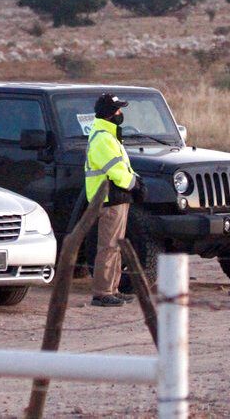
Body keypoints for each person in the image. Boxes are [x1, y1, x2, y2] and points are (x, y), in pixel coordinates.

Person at [85, 93, 146, 307]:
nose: (121, 114)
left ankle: (113, 289)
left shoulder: (109, 135)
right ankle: (102, 293)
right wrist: (135, 184)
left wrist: (134, 183)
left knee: (115, 247)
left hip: (117, 198)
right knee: (108, 247)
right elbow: (116, 171)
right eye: (118, 110)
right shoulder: (103, 137)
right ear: (110, 113)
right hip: (109, 198)